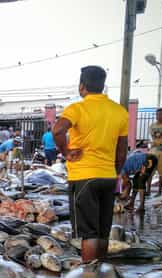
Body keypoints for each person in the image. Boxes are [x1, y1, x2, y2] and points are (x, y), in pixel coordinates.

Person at [53, 65, 128, 262]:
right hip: (108, 176)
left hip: (83, 176)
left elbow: (57, 131)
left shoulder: (77, 108)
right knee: (103, 231)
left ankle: (87, 277)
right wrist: (115, 172)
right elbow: (122, 151)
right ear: (102, 86)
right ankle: (101, 271)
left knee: (89, 233)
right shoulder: (119, 111)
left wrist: (66, 152)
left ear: (82, 86)